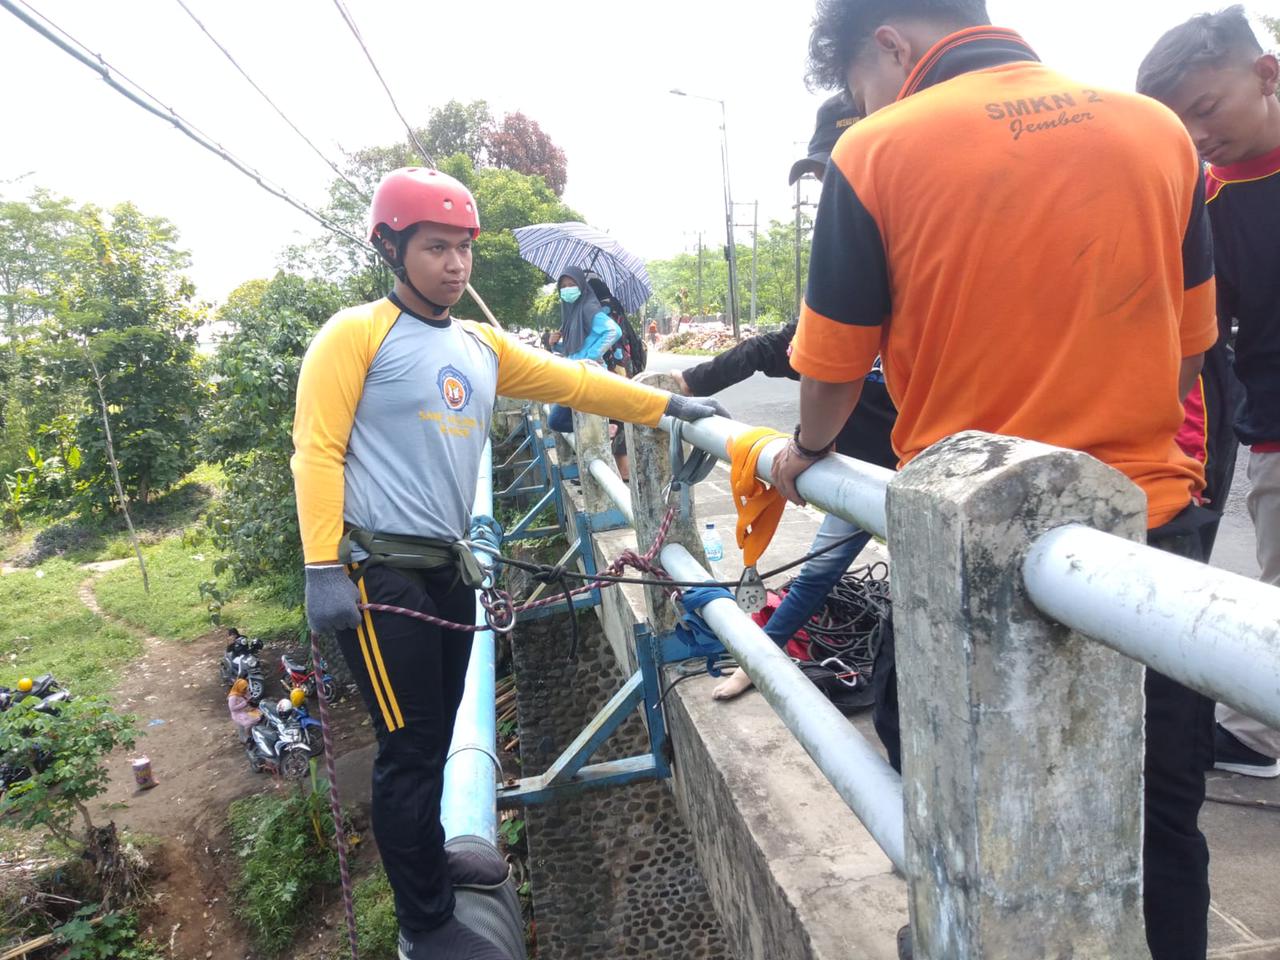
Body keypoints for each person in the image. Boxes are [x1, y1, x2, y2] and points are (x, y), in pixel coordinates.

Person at [775, 4, 1219, 958]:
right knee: (1161, 822)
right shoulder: (1158, 132)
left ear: (888, 45)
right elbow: (1188, 351)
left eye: (860, 81)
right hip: (1152, 527)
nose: (865, 101)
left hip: (975, 548)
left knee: (947, 787)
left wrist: (803, 453)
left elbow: (831, 376)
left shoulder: (876, 149)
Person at [292, 167, 725, 960]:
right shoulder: (352, 335)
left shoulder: (479, 345)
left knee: (437, 723)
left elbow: (575, 381)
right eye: (434, 248)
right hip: (379, 574)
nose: (455, 265)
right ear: (391, 247)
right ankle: (427, 920)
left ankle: (440, 856)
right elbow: (315, 451)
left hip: (450, 568)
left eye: (462, 249)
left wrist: (671, 405)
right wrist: (322, 566)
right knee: (410, 747)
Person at [672, 90, 893, 701]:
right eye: (824, 177)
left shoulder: (923, 259)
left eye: (838, 175)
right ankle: (762, 659)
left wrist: (806, 446)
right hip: (865, 478)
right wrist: (688, 385)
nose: (832, 192)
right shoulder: (847, 270)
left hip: (935, 472)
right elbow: (775, 349)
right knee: (816, 572)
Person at [1139, 6, 1280, 780]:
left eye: (1204, 109)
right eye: (1179, 124)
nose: (1196, 136)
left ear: (1267, 74)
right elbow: (1196, 341)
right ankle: (1257, 736)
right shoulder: (1208, 203)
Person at [547, 266, 622, 435]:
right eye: (563, 286)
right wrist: (555, 344)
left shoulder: (588, 308)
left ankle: (606, 429)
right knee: (560, 420)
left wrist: (591, 356)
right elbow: (574, 349)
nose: (567, 289)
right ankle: (605, 430)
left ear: (581, 285)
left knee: (556, 420)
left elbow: (614, 331)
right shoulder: (572, 313)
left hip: (588, 376)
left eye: (571, 284)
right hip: (576, 375)